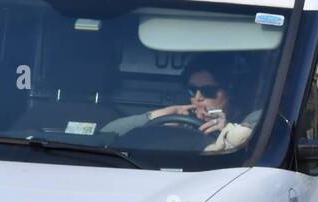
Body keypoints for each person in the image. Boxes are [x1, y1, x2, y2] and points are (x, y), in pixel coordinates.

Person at [105, 55, 260, 153]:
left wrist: (228, 131)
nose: (198, 97)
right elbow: (108, 132)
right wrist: (159, 115)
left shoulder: (253, 118)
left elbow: (257, 136)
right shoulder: (178, 120)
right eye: (192, 91)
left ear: (231, 92)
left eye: (208, 91)